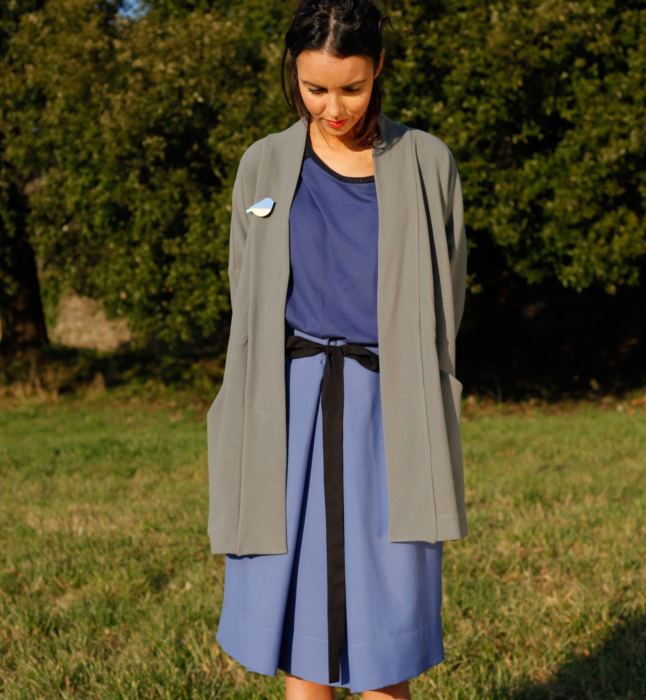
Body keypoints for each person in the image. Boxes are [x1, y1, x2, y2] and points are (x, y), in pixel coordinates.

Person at [207, 1, 468, 698]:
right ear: (293, 74)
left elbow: (447, 296)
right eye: (314, 88)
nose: (333, 108)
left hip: (391, 413)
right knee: (300, 636)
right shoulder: (263, 164)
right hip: (286, 414)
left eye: (351, 88)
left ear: (379, 66)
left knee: (386, 638)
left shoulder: (427, 162)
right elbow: (245, 293)